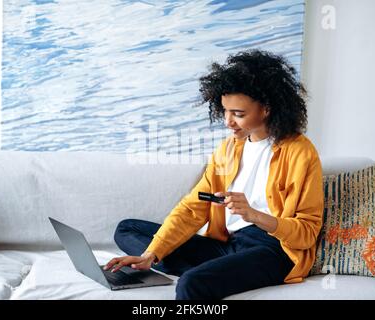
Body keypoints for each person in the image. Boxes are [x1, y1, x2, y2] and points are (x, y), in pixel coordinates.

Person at [104, 49, 324, 300]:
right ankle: (210, 270)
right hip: (226, 245)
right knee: (127, 229)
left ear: (266, 109)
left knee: (191, 283)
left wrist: (254, 214)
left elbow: (306, 233)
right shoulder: (228, 149)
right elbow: (193, 208)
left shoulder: (300, 152)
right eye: (225, 111)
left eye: (238, 114)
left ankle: (207, 272)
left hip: (273, 250)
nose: (227, 121)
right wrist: (150, 254)